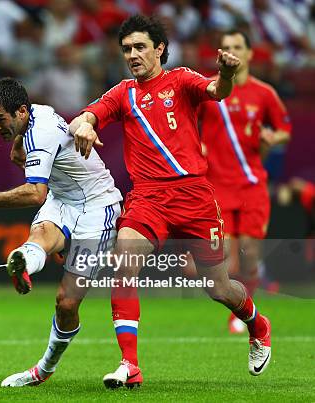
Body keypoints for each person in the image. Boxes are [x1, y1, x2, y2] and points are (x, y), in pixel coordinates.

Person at [67, 14, 272, 387]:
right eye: (127, 49)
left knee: (218, 287)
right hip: (147, 197)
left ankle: (258, 324)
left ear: (159, 49)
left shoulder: (180, 80)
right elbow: (88, 115)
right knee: (124, 264)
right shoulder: (122, 92)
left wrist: (225, 74)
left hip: (193, 195)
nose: (132, 55)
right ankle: (130, 364)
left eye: (140, 47)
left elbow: (216, 92)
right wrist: (83, 123)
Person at [0, 77, 123, 387]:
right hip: (63, 199)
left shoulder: (40, 133)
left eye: (0, 120)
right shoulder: (35, 115)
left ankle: (43, 369)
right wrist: (17, 147)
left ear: (21, 111)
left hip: (98, 209)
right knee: (41, 234)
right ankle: (25, 261)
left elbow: (35, 194)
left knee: (66, 304)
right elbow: (20, 156)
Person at [198, 30, 291, 333]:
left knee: (250, 253)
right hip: (217, 184)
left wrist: (271, 137)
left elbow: (284, 129)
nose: (232, 51)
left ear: (250, 54)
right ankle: (239, 310)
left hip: (251, 183)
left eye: (237, 47)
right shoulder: (209, 89)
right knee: (225, 256)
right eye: (226, 47)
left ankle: (247, 309)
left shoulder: (264, 93)